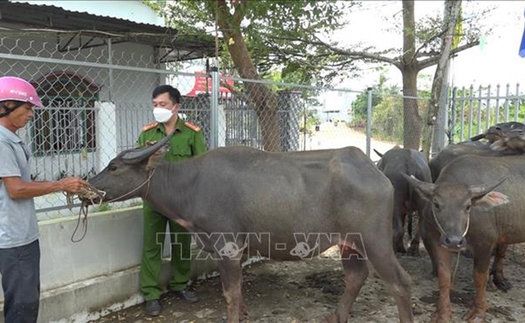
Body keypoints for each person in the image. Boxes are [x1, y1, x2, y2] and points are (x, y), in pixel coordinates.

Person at [0, 76, 87, 322]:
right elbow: (16, 189)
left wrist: (61, 186)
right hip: (13, 237)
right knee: (22, 305)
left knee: (25, 300)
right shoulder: (2, 142)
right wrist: (60, 184)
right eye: (27, 108)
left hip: (21, 233)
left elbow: (22, 183)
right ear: (6, 106)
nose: (31, 114)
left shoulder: (11, 139)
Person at [138, 85, 207, 316]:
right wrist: (149, 158)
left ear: (176, 106)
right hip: (154, 199)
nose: (158, 109)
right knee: (151, 246)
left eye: (163, 104)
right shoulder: (147, 133)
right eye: (155, 104)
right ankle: (151, 294)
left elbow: (201, 167)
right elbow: (138, 169)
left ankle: (180, 284)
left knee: (182, 244)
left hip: (180, 201)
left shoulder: (191, 133)